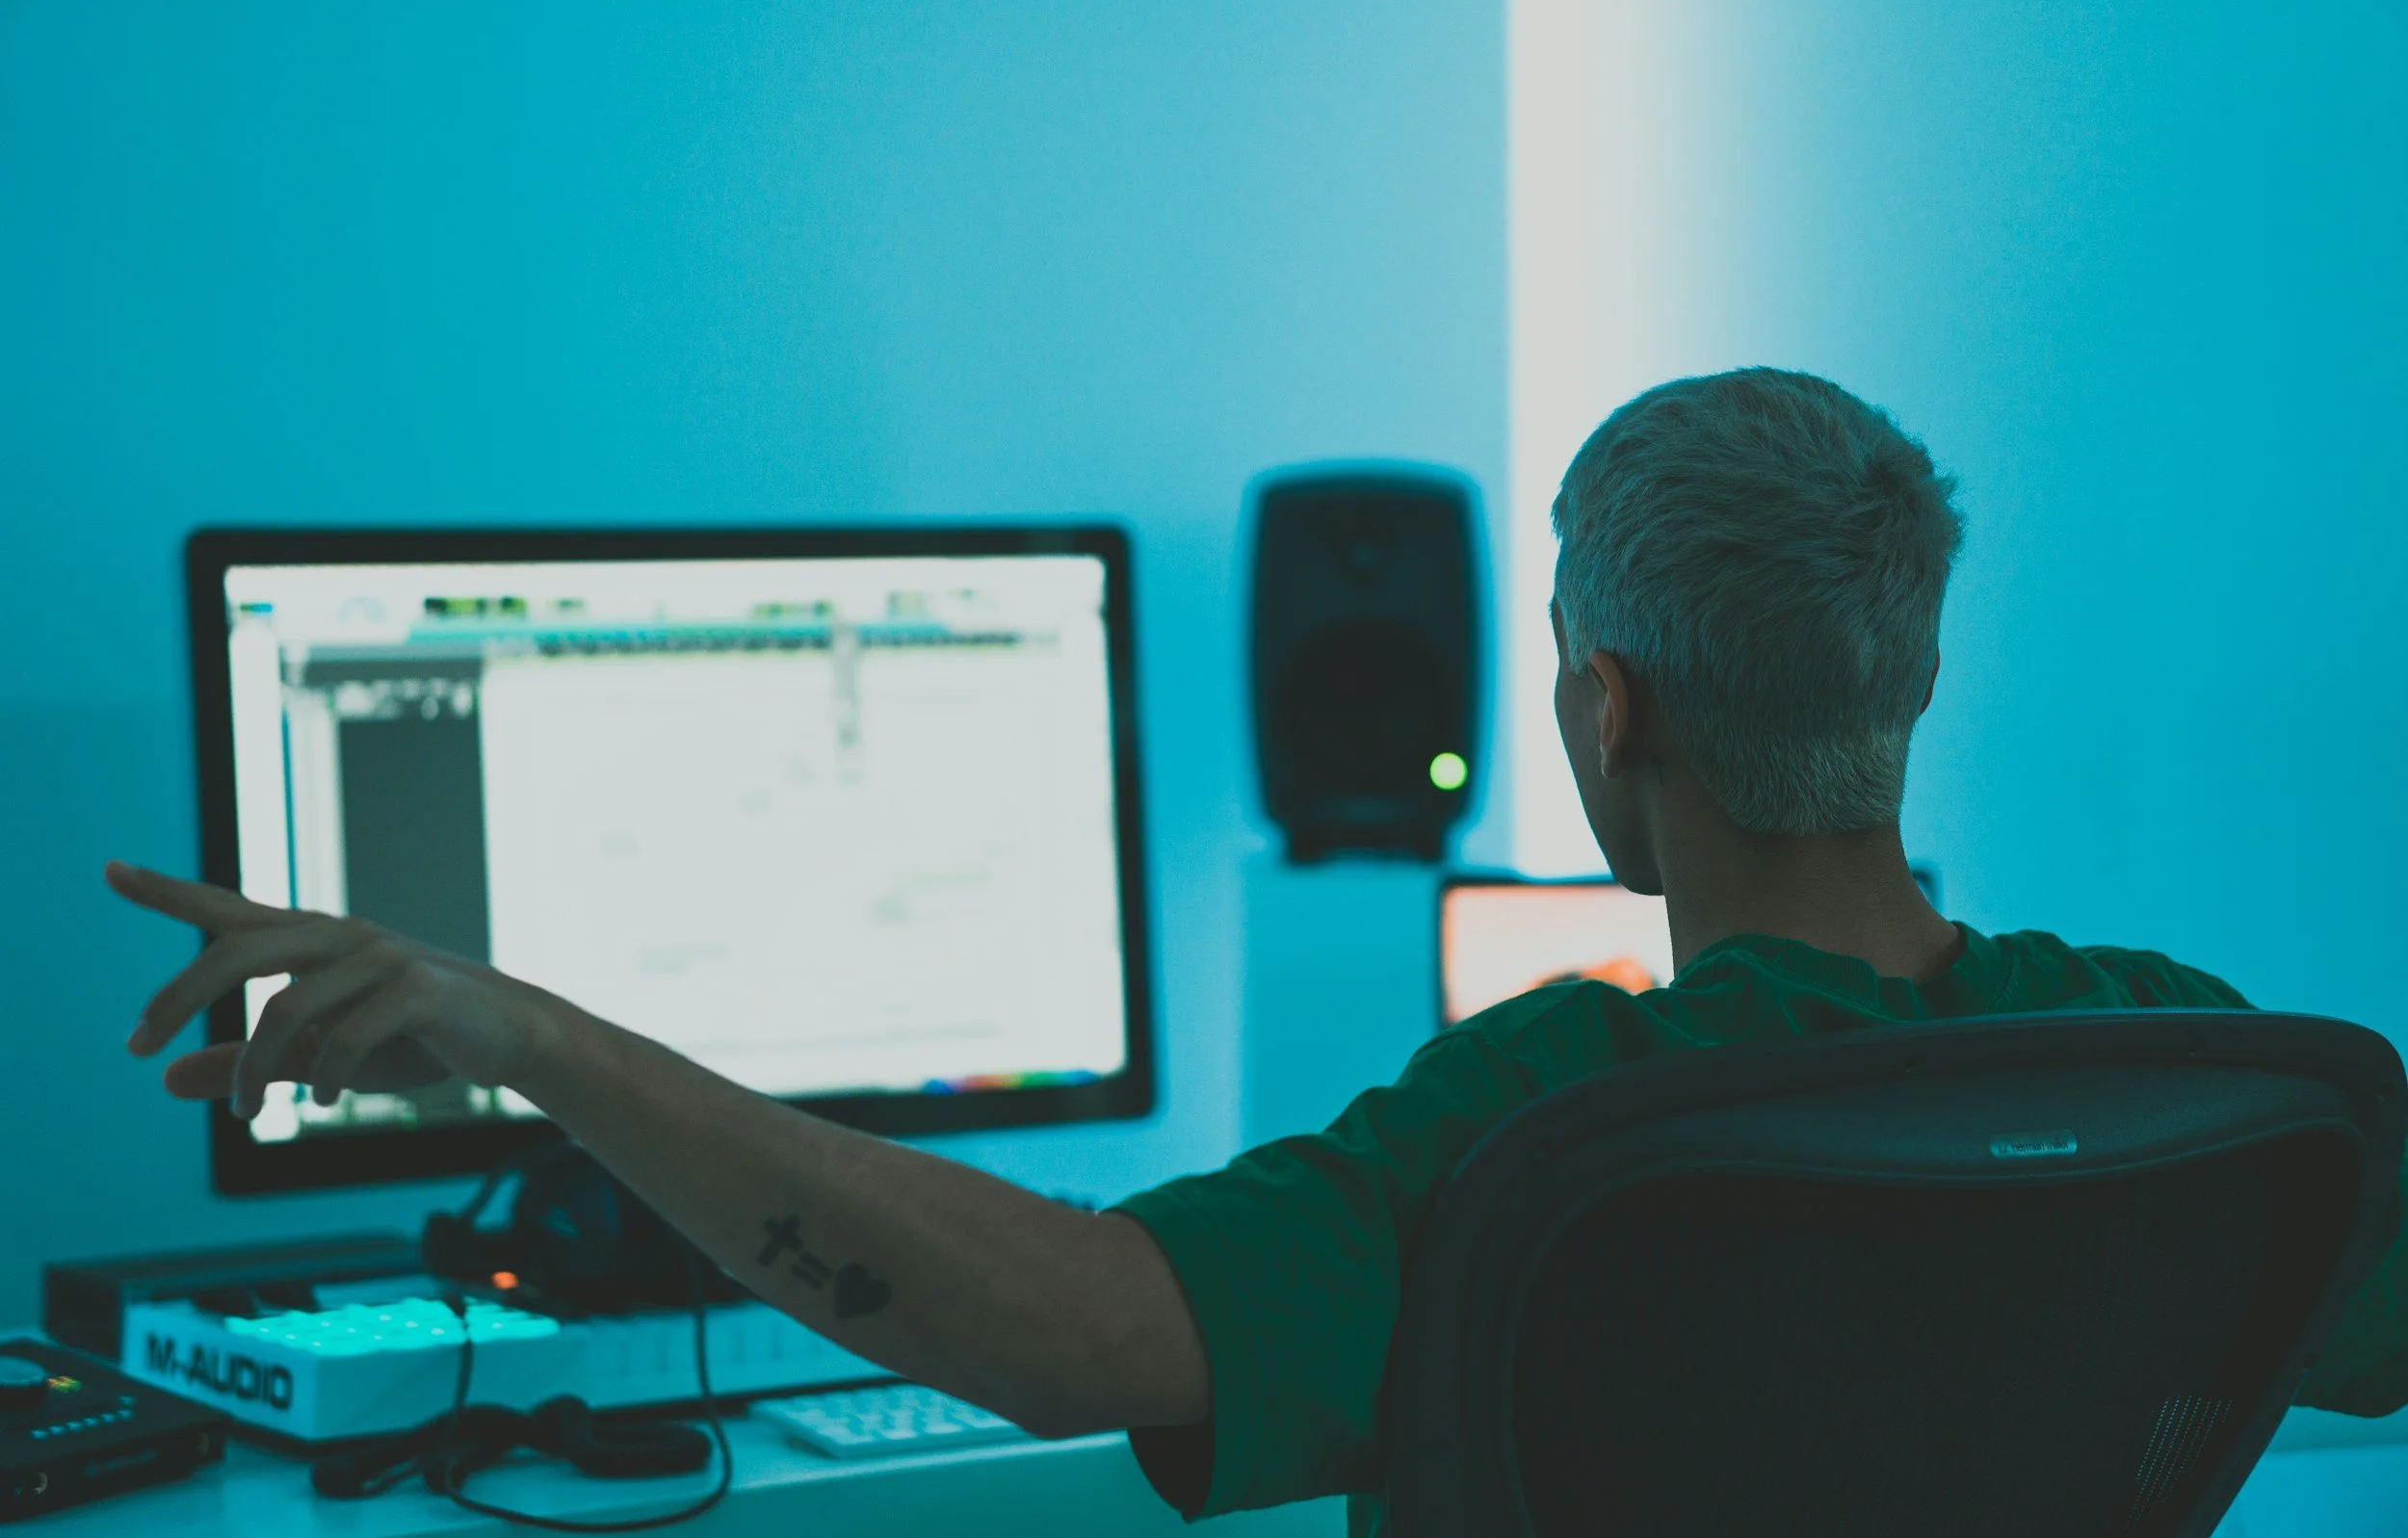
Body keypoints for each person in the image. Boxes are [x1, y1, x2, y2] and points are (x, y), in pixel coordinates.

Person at [109, 369, 2406, 1533]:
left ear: (1602, 709)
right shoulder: (2203, 1067)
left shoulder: (1581, 1119)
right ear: (1903, 681)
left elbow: (1057, 1335)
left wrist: (522, 1025)